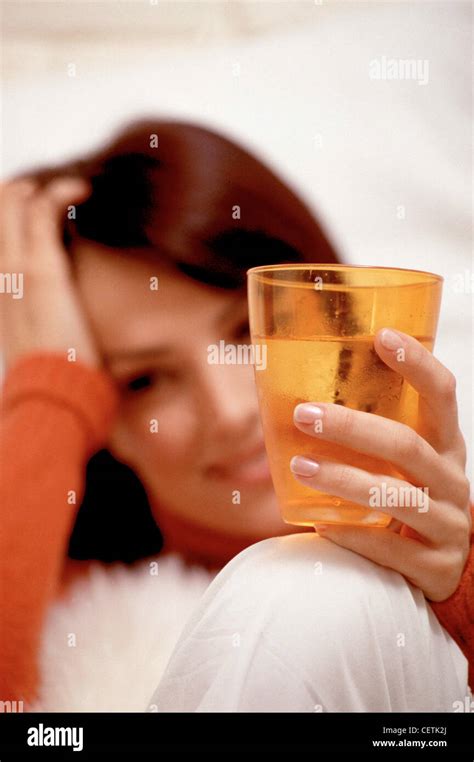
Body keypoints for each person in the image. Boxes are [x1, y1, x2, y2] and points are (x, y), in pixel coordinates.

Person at [0, 120, 472, 712]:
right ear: (106, 422)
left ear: (338, 320)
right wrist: (49, 392)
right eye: (144, 379)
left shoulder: (453, 552)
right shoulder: (59, 616)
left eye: (249, 331)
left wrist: (462, 597)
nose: (227, 413)